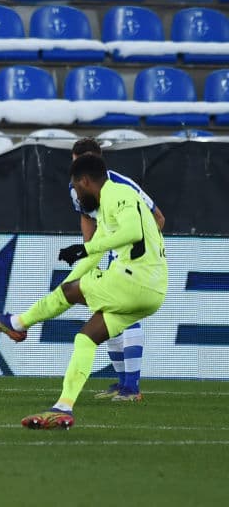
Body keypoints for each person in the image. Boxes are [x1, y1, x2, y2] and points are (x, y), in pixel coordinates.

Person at [0, 153, 167, 429]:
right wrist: (68, 279)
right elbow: (94, 255)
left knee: (70, 293)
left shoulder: (117, 193)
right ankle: (63, 408)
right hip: (152, 292)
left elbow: (132, 232)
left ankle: (17, 323)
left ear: (84, 181)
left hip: (134, 280)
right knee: (86, 338)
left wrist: (85, 250)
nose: (77, 196)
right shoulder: (108, 205)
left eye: (77, 188)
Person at [70, 137, 165, 402]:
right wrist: (91, 253)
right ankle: (124, 383)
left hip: (133, 260)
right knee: (107, 314)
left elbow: (158, 218)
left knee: (125, 314)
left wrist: (143, 251)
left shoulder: (122, 185)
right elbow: (87, 217)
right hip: (110, 255)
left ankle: (132, 387)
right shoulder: (75, 187)